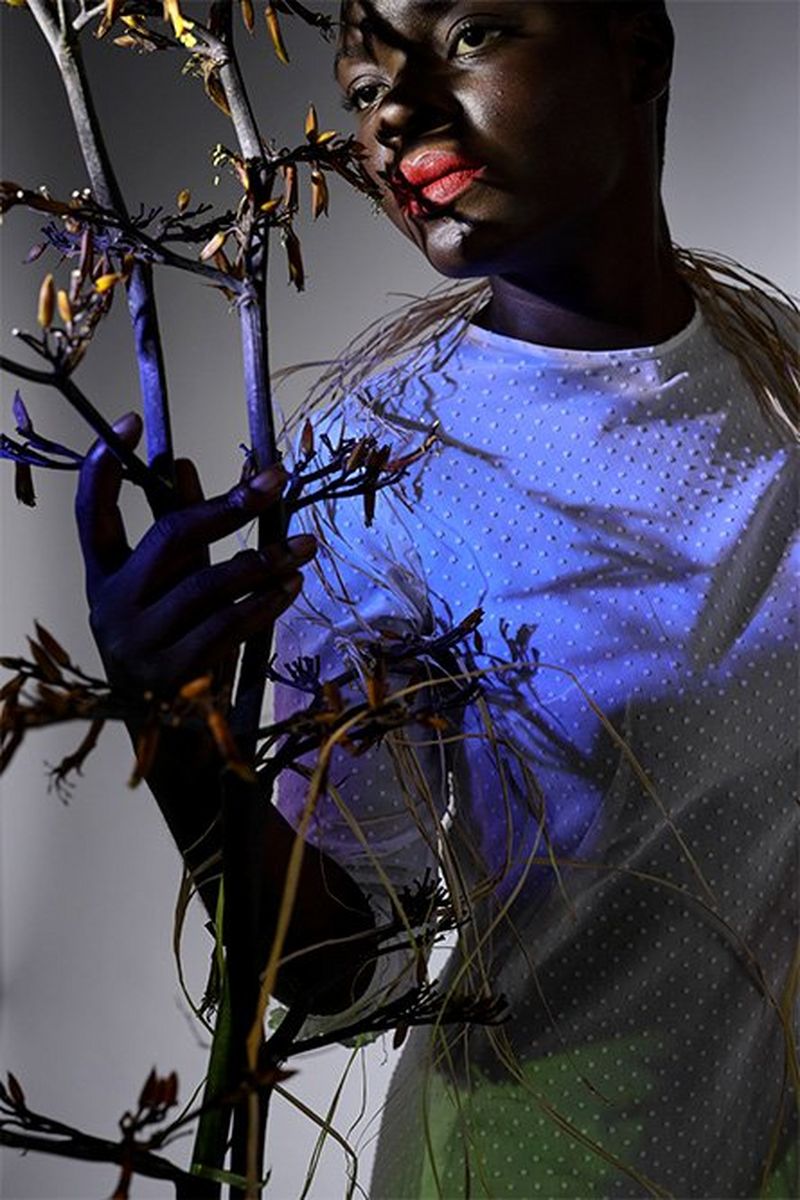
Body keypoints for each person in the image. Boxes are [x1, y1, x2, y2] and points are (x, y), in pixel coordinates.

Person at [76, 1, 799, 1196]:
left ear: (635, 48)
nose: (396, 107)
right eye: (361, 88)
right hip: (535, 1168)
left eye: (468, 35)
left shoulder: (773, 371)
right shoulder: (381, 469)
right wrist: (178, 731)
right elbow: (349, 963)